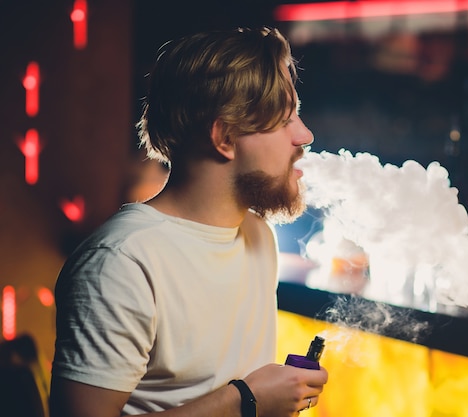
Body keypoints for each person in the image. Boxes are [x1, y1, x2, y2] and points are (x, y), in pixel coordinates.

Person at [49, 27, 328, 417]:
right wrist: (245, 400)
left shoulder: (257, 235)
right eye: (284, 118)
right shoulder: (121, 262)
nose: (305, 135)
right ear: (225, 138)